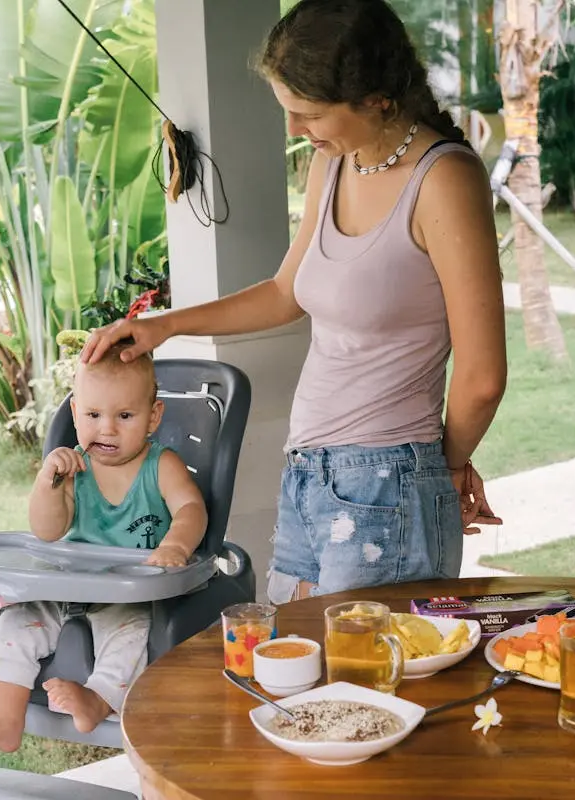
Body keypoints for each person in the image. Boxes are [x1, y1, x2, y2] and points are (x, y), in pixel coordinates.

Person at [79, 0, 505, 604]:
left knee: (376, 684)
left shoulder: (444, 180)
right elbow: (286, 293)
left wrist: (448, 467)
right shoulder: (333, 165)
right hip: (310, 473)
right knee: (307, 683)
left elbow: (482, 377)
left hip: (389, 481)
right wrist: (164, 326)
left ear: (377, 99)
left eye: (308, 113)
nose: (294, 131)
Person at [0, 344, 207, 752]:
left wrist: (175, 544)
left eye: (124, 416)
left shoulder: (161, 466)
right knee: (15, 621)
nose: (106, 429)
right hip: (67, 587)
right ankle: (5, 718)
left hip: (126, 594)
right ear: (75, 414)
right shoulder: (75, 468)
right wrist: (47, 483)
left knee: (131, 636)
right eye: (93, 416)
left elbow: (191, 508)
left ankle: (97, 697)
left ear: (153, 417)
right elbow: (47, 531)